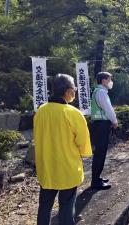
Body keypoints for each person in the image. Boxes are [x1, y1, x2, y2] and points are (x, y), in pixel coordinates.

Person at [34, 74, 92, 225]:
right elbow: (83, 142)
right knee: (66, 205)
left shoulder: (41, 111)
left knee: (45, 205)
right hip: (67, 167)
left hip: (46, 166)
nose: (75, 92)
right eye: (74, 89)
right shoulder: (73, 113)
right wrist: (85, 153)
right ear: (68, 92)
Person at [90, 72, 118, 190]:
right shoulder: (101, 92)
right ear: (103, 81)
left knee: (100, 152)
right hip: (102, 124)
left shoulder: (98, 91)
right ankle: (96, 181)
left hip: (98, 124)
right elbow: (108, 108)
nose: (111, 81)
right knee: (100, 153)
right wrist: (114, 121)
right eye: (109, 79)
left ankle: (97, 177)